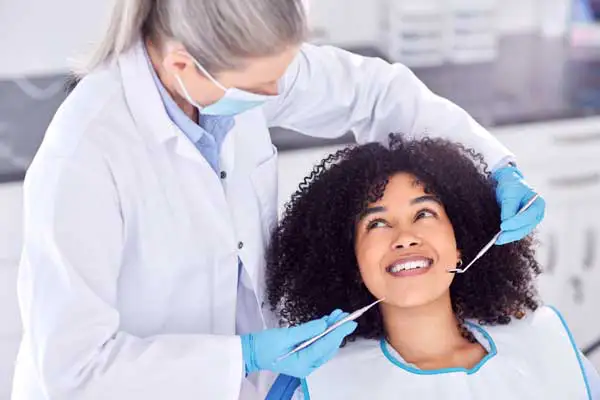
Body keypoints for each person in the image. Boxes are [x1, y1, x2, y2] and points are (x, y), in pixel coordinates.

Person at [12, 0, 545, 398]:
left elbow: (378, 93)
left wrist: (494, 163)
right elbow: (73, 370)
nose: (276, 95)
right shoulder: (83, 157)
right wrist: (239, 358)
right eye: (261, 87)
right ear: (182, 66)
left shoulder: (227, 78)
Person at [265, 136, 600, 400]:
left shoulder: (549, 349)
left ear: (461, 243)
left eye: (424, 214)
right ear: (350, 261)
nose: (405, 237)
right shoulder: (315, 386)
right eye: (377, 223)